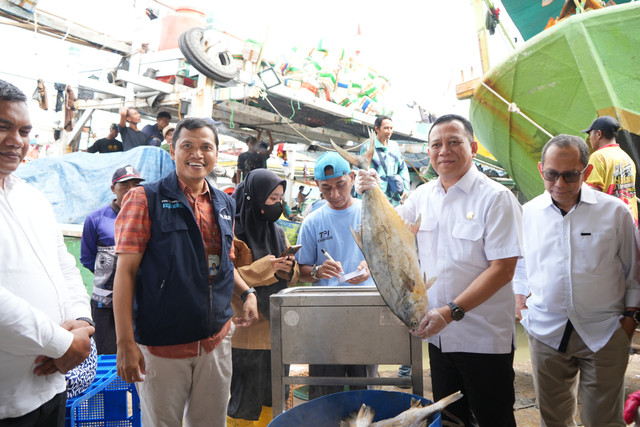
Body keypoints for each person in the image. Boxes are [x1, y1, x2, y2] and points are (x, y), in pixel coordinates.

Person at [356, 114, 523, 426]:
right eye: (436, 145)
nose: (444, 150)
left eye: (454, 142)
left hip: (483, 341)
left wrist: (451, 310)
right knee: (450, 420)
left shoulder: (496, 198)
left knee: (493, 419)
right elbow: (386, 237)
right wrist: (368, 188)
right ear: (428, 152)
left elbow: (503, 270)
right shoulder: (421, 196)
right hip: (439, 340)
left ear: (473, 147)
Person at [113, 117, 258, 427]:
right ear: (172, 150)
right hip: (162, 345)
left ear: (217, 153)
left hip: (215, 340)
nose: (197, 154)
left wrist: (247, 291)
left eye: (206, 147)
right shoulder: (144, 199)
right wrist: (125, 342)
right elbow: (124, 274)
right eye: (187, 146)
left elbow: (222, 264)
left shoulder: (224, 203)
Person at [513, 134, 640, 427]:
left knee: (602, 420)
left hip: (605, 330)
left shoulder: (614, 212)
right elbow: (520, 263)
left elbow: (633, 269)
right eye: (551, 174)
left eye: (570, 175)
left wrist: (629, 321)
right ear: (540, 169)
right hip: (545, 330)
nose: (559, 183)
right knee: (554, 418)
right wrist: (520, 303)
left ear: (587, 172)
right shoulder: (528, 213)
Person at [0, 79, 95, 424]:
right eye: (3, 127)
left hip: (51, 389)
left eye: (24, 131)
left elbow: (65, 268)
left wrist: (82, 324)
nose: (16, 141)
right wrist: (63, 343)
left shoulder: (32, 197)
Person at [296, 151, 374, 399]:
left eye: (340, 185)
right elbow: (301, 271)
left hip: (365, 310)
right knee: (324, 389)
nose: (335, 195)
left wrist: (371, 267)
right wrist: (318, 271)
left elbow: (390, 259)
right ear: (317, 187)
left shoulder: (369, 212)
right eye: (326, 189)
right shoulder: (312, 222)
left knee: (365, 387)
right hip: (325, 316)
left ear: (352, 178)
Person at [227, 168, 300, 425]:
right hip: (247, 333)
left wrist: (290, 267)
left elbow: (292, 275)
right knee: (244, 403)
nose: (277, 205)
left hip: (278, 333)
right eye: (272, 199)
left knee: (275, 398)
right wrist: (267, 267)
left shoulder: (277, 232)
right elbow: (227, 276)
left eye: (280, 199)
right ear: (253, 198)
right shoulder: (234, 233)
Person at [80, 165, 145, 355]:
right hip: (104, 303)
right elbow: (87, 258)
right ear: (113, 189)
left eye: (136, 185)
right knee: (107, 353)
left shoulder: (147, 217)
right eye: (125, 185)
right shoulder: (96, 218)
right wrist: (111, 276)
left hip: (139, 299)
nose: (131, 190)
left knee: (138, 352)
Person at [582, 115, 638, 225]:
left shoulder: (598, 157)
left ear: (598, 134)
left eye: (590, 134)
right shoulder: (627, 158)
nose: (589, 138)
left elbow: (591, 193)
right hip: (630, 222)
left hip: (609, 224)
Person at [359, 115, 410, 206]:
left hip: (395, 198)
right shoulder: (367, 148)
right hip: (377, 199)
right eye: (386, 128)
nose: (389, 131)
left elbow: (403, 168)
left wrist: (405, 188)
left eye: (391, 128)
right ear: (377, 129)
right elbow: (363, 175)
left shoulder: (394, 146)